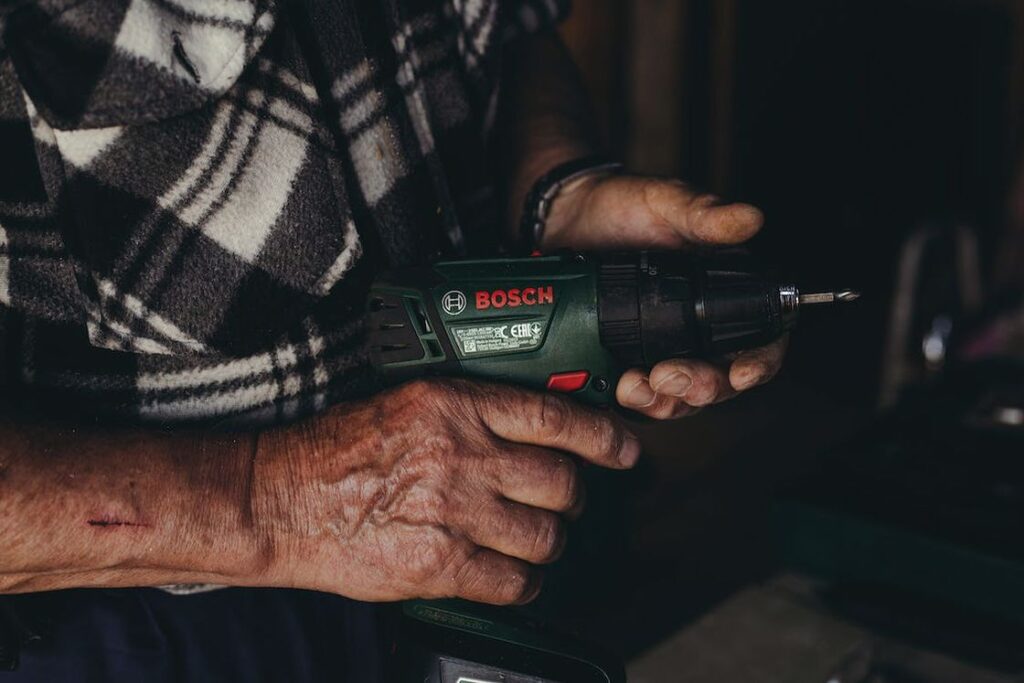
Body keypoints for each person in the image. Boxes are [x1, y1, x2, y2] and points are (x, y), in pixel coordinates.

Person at [0, 0, 785, 679]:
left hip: (452, 519)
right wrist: (275, 501)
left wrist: (553, 184)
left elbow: (508, 27)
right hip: (127, 620)